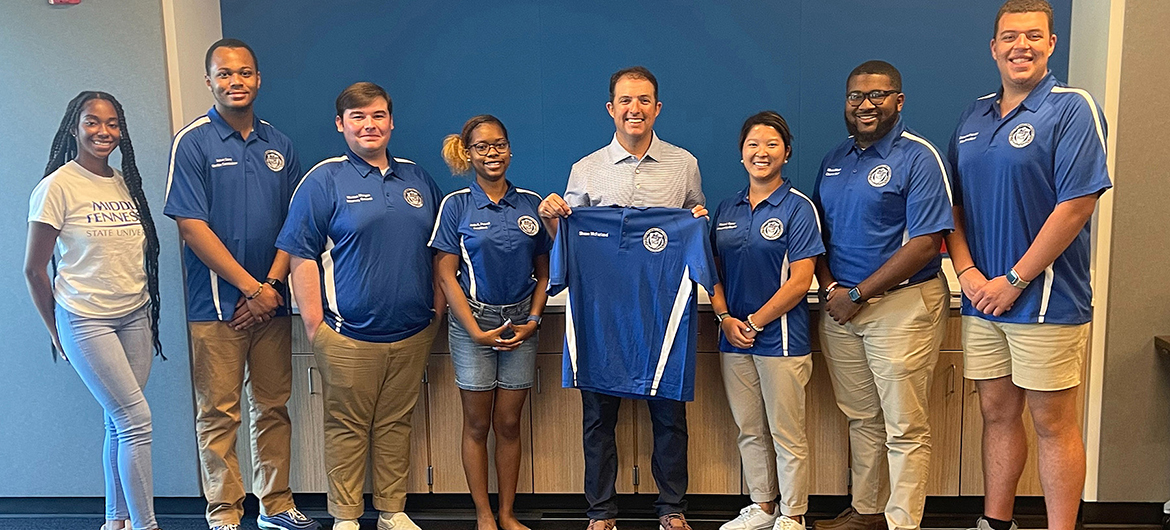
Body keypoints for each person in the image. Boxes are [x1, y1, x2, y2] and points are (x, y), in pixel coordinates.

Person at [945, 2, 1111, 529]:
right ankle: (996, 522)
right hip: (983, 300)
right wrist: (969, 275)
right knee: (996, 415)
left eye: (1034, 36)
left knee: (1053, 424)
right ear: (994, 47)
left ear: (1051, 44)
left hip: (1046, 301)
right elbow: (953, 206)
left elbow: (1077, 205)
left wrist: (1015, 279)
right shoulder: (972, 116)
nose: (1022, 45)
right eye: (1011, 36)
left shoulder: (1072, 108)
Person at [538, 66, 708, 530]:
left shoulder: (684, 164)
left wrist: (696, 218)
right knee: (598, 419)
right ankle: (601, 512)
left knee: (669, 415)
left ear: (657, 108)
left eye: (644, 100)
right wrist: (553, 217)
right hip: (602, 314)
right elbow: (566, 239)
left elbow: (694, 228)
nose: (635, 109)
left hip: (661, 313)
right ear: (612, 108)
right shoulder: (585, 168)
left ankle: (672, 508)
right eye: (626, 101)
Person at [163, 38, 317, 530]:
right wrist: (252, 289)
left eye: (245, 72)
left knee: (273, 408)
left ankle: (276, 506)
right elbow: (191, 227)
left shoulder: (280, 145)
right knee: (219, 414)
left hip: (271, 303)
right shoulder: (193, 142)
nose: (236, 82)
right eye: (225, 74)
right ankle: (225, 512)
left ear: (258, 79)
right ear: (209, 81)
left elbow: (295, 225)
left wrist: (269, 287)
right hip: (215, 307)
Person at [277, 81, 444, 530]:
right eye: (358, 117)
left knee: (396, 424)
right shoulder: (324, 179)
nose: (369, 125)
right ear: (341, 124)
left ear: (391, 122)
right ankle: (346, 516)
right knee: (346, 428)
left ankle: (392, 510)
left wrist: (435, 312)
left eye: (377, 116)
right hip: (347, 335)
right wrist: (315, 326)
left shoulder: (417, 178)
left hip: (412, 331)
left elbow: (439, 250)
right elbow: (300, 255)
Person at [812, 61, 954, 530]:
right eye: (856, 96)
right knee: (862, 418)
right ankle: (868, 512)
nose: (865, 105)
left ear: (899, 100)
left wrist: (858, 293)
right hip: (842, 312)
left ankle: (902, 522)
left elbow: (926, 243)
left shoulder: (919, 157)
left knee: (904, 426)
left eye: (878, 95)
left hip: (902, 306)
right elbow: (818, 237)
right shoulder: (835, 159)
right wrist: (833, 289)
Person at [24, 91, 164, 530]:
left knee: (119, 422)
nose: (103, 131)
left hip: (135, 315)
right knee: (136, 420)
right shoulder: (57, 186)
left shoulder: (124, 183)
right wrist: (56, 332)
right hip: (85, 319)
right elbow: (34, 270)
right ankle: (147, 525)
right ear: (74, 128)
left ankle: (115, 521)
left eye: (112, 124)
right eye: (92, 122)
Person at [430, 115, 551, 530]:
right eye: (481, 147)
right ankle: (484, 515)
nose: (492, 153)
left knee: (509, 423)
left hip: (521, 324)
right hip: (473, 324)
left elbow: (545, 271)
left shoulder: (531, 203)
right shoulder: (456, 205)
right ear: (468, 154)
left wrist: (533, 320)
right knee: (479, 424)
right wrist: (476, 331)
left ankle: (507, 513)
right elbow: (446, 274)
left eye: (499, 144)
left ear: (510, 150)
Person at [710, 111, 824, 530]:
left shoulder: (798, 208)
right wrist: (725, 318)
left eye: (772, 144)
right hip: (733, 338)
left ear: (786, 153)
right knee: (749, 428)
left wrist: (755, 322)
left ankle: (793, 513)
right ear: (741, 153)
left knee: (786, 432)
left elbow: (801, 280)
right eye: (753, 144)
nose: (762, 152)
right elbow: (712, 271)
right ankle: (763, 506)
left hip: (781, 341)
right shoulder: (727, 208)